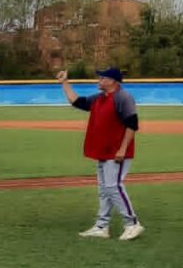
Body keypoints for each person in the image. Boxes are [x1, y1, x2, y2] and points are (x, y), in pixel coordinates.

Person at [58, 67, 144, 241]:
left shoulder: (123, 97)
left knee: (113, 187)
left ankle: (132, 223)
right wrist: (64, 83)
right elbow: (76, 101)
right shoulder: (99, 98)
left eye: (102, 77)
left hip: (117, 153)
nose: (99, 80)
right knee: (104, 190)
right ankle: (101, 226)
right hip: (103, 152)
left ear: (113, 81)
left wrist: (122, 149)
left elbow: (132, 124)